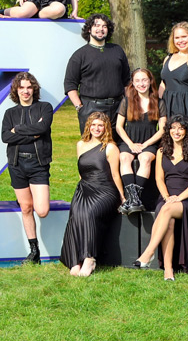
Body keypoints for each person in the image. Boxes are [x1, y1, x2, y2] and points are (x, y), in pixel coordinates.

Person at [132, 115, 188, 280]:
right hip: (166, 197)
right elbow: (159, 179)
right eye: (173, 128)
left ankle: (148, 252)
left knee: (166, 211)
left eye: (180, 128)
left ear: (187, 131)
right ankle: (168, 270)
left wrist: (179, 198)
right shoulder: (161, 151)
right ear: (168, 130)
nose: (176, 132)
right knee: (169, 219)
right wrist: (166, 197)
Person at [59, 112, 123, 277]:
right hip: (84, 188)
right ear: (88, 126)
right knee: (76, 214)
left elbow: (115, 175)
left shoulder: (110, 147)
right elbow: (81, 172)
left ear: (106, 127)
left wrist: (122, 197)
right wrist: (81, 191)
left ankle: (89, 258)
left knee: (89, 213)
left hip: (105, 191)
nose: (96, 128)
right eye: (93, 125)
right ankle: (75, 260)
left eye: (100, 125)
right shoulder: (81, 144)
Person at [0, 72, 54, 264]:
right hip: (17, 164)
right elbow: (6, 137)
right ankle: (34, 251)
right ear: (16, 90)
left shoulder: (45, 108)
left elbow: (42, 128)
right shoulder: (10, 113)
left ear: (34, 89)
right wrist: (32, 133)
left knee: (42, 210)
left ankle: (35, 250)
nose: (25, 91)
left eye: (29, 87)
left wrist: (18, 130)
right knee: (26, 207)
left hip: (38, 164)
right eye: (21, 87)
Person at [64, 13, 131, 134]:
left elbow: (127, 81)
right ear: (89, 29)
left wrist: (127, 104)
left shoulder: (117, 50)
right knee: (93, 145)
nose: (101, 29)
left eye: (104, 26)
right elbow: (70, 84)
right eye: (97, 25)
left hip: (118, 109)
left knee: (117, 144)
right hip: (91, 109)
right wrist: (80, 108)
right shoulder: (79, 55)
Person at [114, 68, 168, 215]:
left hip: (149, 142)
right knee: (124, 158)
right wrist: (130, 144)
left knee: (145, 159)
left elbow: (162, 129)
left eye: (144, 80)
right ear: (133, 83)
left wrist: (146, 144)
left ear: (150, 81)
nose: (141, 84)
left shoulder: (159, 102)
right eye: (137, 80)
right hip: (128, 141)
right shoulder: (126, 101)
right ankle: (135, 200)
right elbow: (119, 127)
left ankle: (131, 200)